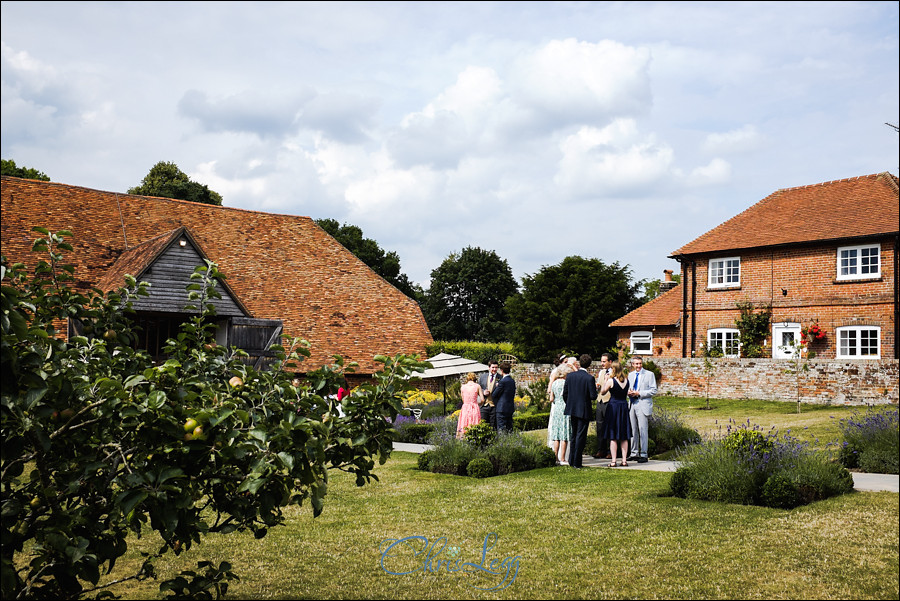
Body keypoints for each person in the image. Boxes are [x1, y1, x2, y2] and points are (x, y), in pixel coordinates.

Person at [563, 354, 597, 468]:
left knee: (573, 435)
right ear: (589, 365)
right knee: (580, 436)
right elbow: (593, 396)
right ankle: (577, 462)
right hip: (583, 410)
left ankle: (571, 460)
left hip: (572, 409)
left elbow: (565, 394)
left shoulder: (570, 376)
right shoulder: (589, 378)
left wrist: (570, 403)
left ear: (579, 363)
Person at [599, 360, 632, 467]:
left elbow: (603, 392)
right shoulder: (626, 380)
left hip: (613, 407)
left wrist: (605, 380)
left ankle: (613, 461)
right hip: (623, 407)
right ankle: (624, 460)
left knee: (613, 436)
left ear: (613, 370)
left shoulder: (611, 381)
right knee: (624, 435)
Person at [627, 355, 657, 463]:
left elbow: (654, 390)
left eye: (640, 363)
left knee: (643, 429)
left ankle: (644, 454)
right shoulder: (630, 375)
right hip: (632, 404)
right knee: (633, 430)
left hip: (642, 403)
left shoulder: (649, 374)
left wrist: (639, 393)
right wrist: (629, 393)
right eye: (636, 364)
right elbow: (628, 388)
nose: (638, 365)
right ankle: (634, 453)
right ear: (633, 364)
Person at [548, 363, 573, 464]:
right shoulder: (566, 383)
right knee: (564, 434)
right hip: (565, 407)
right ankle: (562, 457)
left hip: (556, 408)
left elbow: (551, 398)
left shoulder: (554, 383)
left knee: (556, 435)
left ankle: (556, 457)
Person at [592, 353, 613, 459]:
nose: (602, 363)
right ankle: (601, 450)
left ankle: (611, 451)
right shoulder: (601, 372)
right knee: (600, 427)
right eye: (601, 361)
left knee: (609, 427)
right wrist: (597, 386)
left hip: (609, 401)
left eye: (604, 361)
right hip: (600, 401)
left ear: (610, 362)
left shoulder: (614, 372)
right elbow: (599, 384)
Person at [456, 372, 484, 438]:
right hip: (474, 407)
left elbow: (463, 399)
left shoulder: (463, 387)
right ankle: (474, 438)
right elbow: (482, 399)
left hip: (465, 407)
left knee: (464, 423)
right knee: (474, 422)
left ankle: (463, 438)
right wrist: (478, 403)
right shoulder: (477, 386)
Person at [491, 361, 516, 432]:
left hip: (501, 408)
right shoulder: (512, 381)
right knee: (509, 429)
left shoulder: (502, 381)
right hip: (510, 407)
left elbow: (494, 394)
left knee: (501, 429)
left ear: (501, 370)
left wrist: (497, 386)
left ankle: (502, 442)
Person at [478, 360, 500, 430]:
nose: (494, 369)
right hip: (484, 406)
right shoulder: (482, 377)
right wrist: (483, 392)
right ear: (489, 368)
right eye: (493, 367)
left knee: (493, 427)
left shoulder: (501, 378)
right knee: (483, 426)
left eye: (496, 367)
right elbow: (478, 389)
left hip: (494, 406)